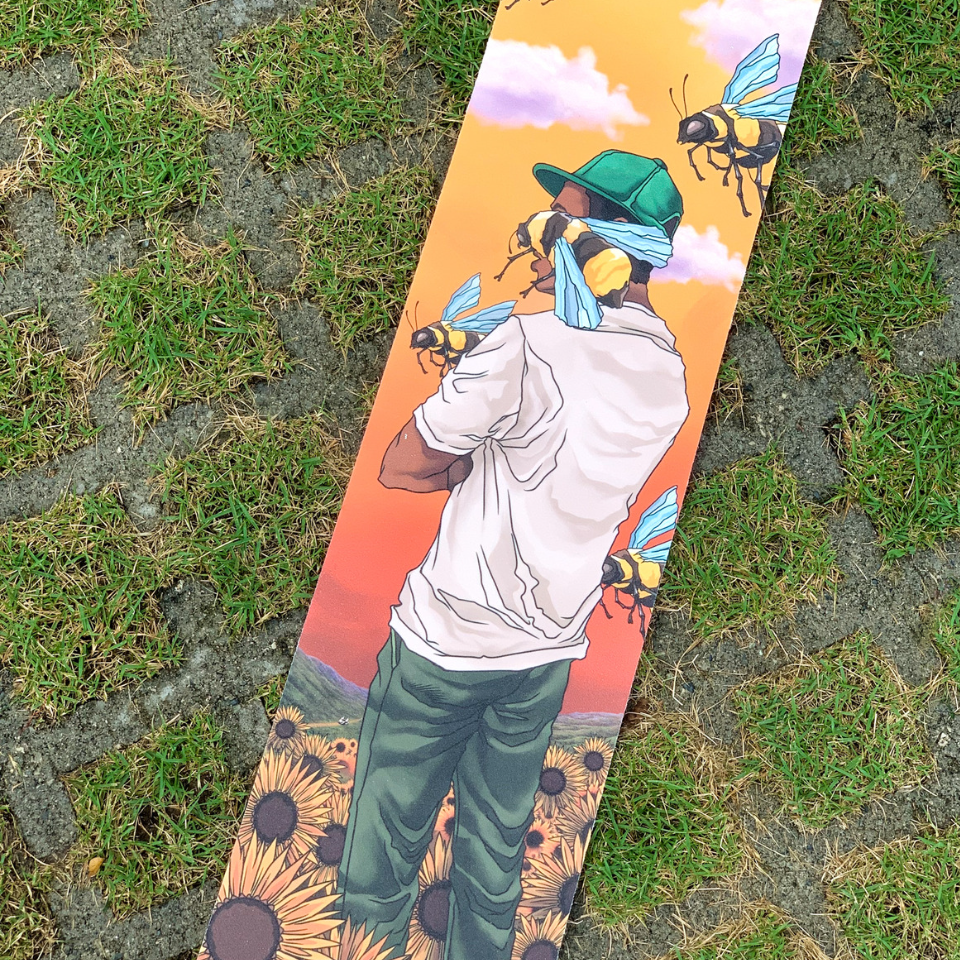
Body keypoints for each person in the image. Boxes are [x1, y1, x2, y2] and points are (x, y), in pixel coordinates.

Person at [337, 151, 690, 960]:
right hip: (546, 653)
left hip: (445, 642)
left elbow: (403, 464)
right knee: (494, 861)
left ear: (597, 242)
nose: (534, 241)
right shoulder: (669, 375)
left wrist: (470, 464)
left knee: (380, 853)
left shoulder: (527, 344)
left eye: (554, 223)